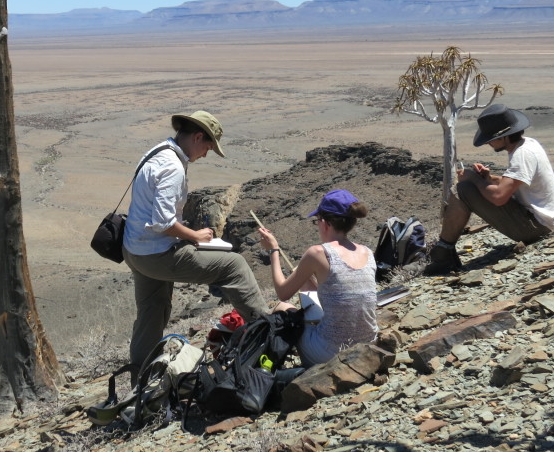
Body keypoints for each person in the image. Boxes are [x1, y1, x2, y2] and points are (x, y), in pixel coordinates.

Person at [122, 111, 269, 371]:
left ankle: (142, 377)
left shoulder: (157, 152)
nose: (205, 155)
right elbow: (164, 223)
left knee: (152, 311)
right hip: (156, 253)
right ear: (198, 137)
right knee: (234, 265)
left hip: (135, 250)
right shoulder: (172, 166)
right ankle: (268, 333)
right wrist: (196, 236)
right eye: (208, 148)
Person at [428, 103, 554, 274]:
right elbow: (515, 182)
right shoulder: (528, 144)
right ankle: (445, 251)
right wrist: (487, 178)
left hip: (537, 228)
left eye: (490, 138)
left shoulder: (522, 155)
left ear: (504, 137)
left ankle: (443, 254)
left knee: (464, 189)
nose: (489, 143)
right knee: (471, 185)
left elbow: (499, 197)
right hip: (545, 222)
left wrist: (474, 179)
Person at [257, 189, 378, 366]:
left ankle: (267, 368)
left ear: (325, 223)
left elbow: (282, 293)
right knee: (302, 274)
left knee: (283, 307)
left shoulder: (318, 253)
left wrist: (273, 251)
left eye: (316, 221)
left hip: (332, 352)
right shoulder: (367, 252)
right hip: (368, 346)